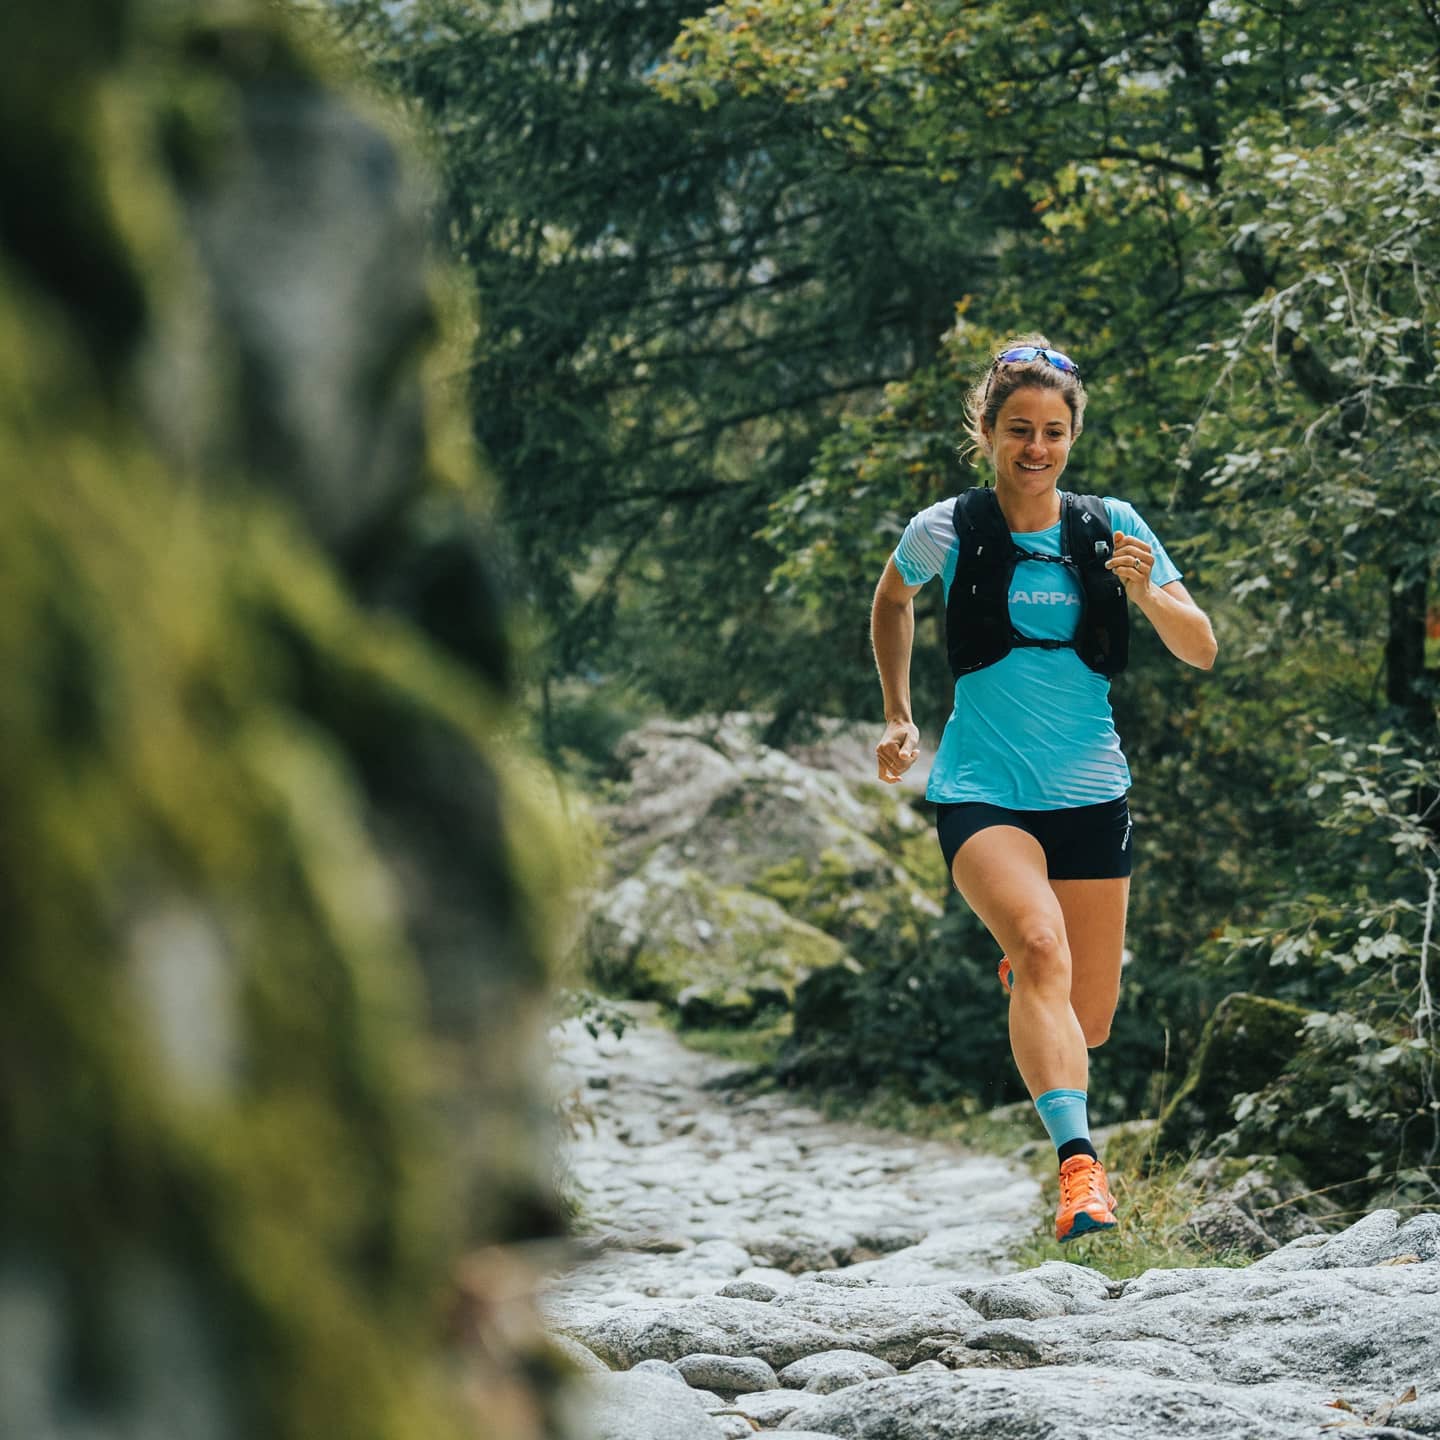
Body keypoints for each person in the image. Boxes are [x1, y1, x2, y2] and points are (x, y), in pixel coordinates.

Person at [869, 335, 1217, 1243]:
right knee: (1038, 942)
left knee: (1087, 1019)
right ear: (987, 431)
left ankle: (1033, 976)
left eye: (1053, 432)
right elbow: (893, 600)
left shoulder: (1115, 525)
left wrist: (1150, 593)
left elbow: (1201, 648)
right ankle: (1080, 1177)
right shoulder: (945, 527)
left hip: (1092, 795)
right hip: (982, 791)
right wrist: (900, 714)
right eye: (1018, 428)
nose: (1036, 447)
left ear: (1072, 438)